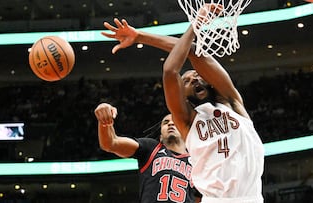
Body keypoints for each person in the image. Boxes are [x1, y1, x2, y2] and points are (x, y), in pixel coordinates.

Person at [101, 5, 264, 202]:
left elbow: (194, 52)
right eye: (186, 80)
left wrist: (141, 37)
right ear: (182, 94)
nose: (194, 79)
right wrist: (195, 24)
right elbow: (170, 70)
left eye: (197, 76)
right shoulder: (186, 121)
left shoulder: (232, 102)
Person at [94, 102, 201, 203]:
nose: (171, 123)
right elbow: (110, 143)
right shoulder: (152, 147)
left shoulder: (197, 160)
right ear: (160, 136)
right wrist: (104, 122)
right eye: (166, 122)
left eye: (175, 121)